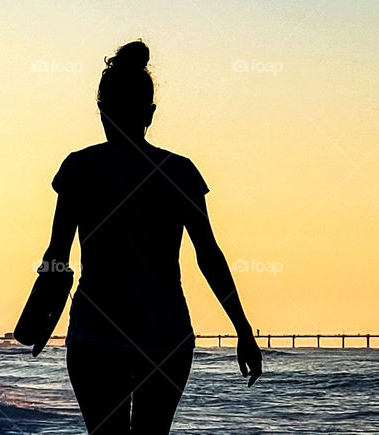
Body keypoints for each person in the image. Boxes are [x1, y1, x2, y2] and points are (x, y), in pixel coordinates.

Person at [39, 40, 262, 434]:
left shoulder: (80, 169)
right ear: (151, 113)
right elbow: (208, 255)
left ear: (101, 110)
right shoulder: (179, 173)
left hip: (96, 337)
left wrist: (42, 318)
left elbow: (57, 258)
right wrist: (242, 329)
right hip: (165, 338)